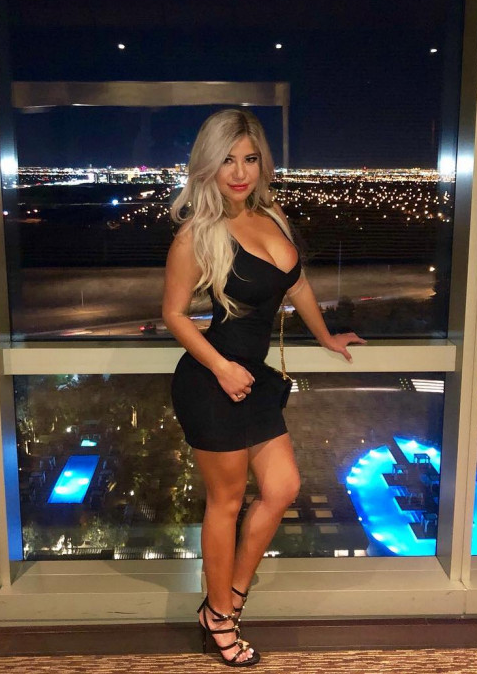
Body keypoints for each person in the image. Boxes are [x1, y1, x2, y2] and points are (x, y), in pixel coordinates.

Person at [162, 109, 365, 667]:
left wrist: (325, 335)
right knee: (225, 503)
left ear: (262, 163)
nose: (239, 172)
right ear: (208, 165)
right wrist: (222, 368)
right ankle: (220, 617)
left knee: (282, 488)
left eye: (249, 159)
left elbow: (295, 283)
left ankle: (229, 597)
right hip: (211, 381)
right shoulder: (197, 234)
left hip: (254, 380)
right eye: (227, 160)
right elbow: (174, 314)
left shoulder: (271, 214)